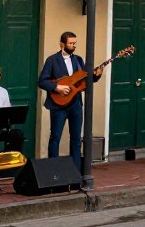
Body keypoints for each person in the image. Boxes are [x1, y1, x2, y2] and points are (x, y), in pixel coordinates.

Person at [38, 31, 102, 171]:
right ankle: (52, 170)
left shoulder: (79, 60)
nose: (74, 46)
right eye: (71, 43)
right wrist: (57, 87)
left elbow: (84, 80)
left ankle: (76, 171)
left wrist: (96, 76)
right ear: (62, 44)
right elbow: (42, 81)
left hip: (75, 105)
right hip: (58, 105)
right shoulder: (52, 60)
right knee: (55, 137)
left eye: (75, 43)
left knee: (76, 139)